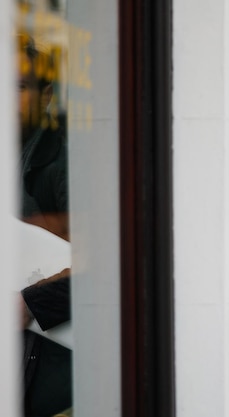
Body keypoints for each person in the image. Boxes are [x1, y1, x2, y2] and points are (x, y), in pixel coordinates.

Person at [17, 33, 72, 417]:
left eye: (17, 86)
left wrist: (30, 304)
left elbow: (116, 259)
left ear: (46, 94)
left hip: (49, 360)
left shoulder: (63, 159)